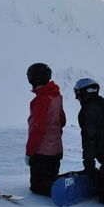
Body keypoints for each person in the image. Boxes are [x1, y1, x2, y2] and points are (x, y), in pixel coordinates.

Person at [25, 63, 66, 196]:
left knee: (37, 187)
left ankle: (63, 189)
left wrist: (30, 153)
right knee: (51, 178)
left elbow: (37, 129)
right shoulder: (56, 96)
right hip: (56, 150)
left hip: (43, 153)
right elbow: (62, 120)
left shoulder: (40, 101)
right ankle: (64, 183)